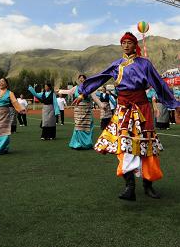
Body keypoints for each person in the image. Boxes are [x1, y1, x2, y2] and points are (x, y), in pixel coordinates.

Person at [75, 32, 180, 201]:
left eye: (129, 42)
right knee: (124, 146)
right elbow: (100, 78)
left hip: (142, 109)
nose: (126, 45)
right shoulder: (116, 64)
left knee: (147, 147)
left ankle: (148, 185)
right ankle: (129, 187)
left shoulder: (145, 64)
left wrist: (174, 104)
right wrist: (83, 92)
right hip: (123, 110)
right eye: (123, 42)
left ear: (135, 45)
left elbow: (159, 84)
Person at [0, 71, 25, 154]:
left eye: (2, 81)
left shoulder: (10, 93)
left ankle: (3, 148)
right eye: (0, 82)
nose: (0, 83)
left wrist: (21, 109)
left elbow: (14, 102)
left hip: (5, 114)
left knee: (4, 131)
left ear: (6, 84)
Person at [59, 75, 101, 150]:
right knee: (78, 125)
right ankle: (77, 143)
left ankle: (87, 143)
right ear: (78, 80)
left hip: (87, 110)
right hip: (78, 109)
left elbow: (95, 97)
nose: (81, 79)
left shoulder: (89, 88)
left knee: (88, 125)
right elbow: (69, 92)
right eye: (80, 78)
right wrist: (60, 91)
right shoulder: (76, 88)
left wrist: (101, 104)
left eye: (83, 78)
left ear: (86, 80)